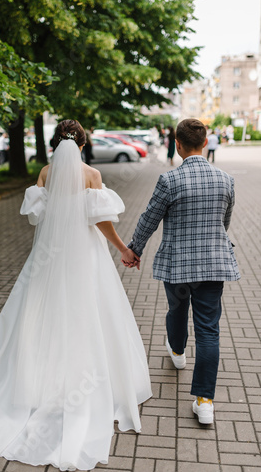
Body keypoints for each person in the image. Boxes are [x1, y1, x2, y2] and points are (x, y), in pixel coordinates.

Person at [0, 119, 151, 469]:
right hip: (85, 255)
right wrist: (123, 250)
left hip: (48, 259)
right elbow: (100, 221)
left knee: (40, 316)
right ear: (83, 144)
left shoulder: (44, 172)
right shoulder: (91, 176)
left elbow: (38, 218)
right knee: (90, 316)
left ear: (56, 143)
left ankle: (36, 385)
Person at [122, 118, 240, 425]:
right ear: (205, 143)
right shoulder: (226, 180)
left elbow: (150, 218)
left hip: (178, 265)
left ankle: (177, 351)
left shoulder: (169, 180)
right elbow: (223, 222)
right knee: (208, 330)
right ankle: (204, 401)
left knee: (176, 310)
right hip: (214, 265)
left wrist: (134, 249)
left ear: (177, 144)